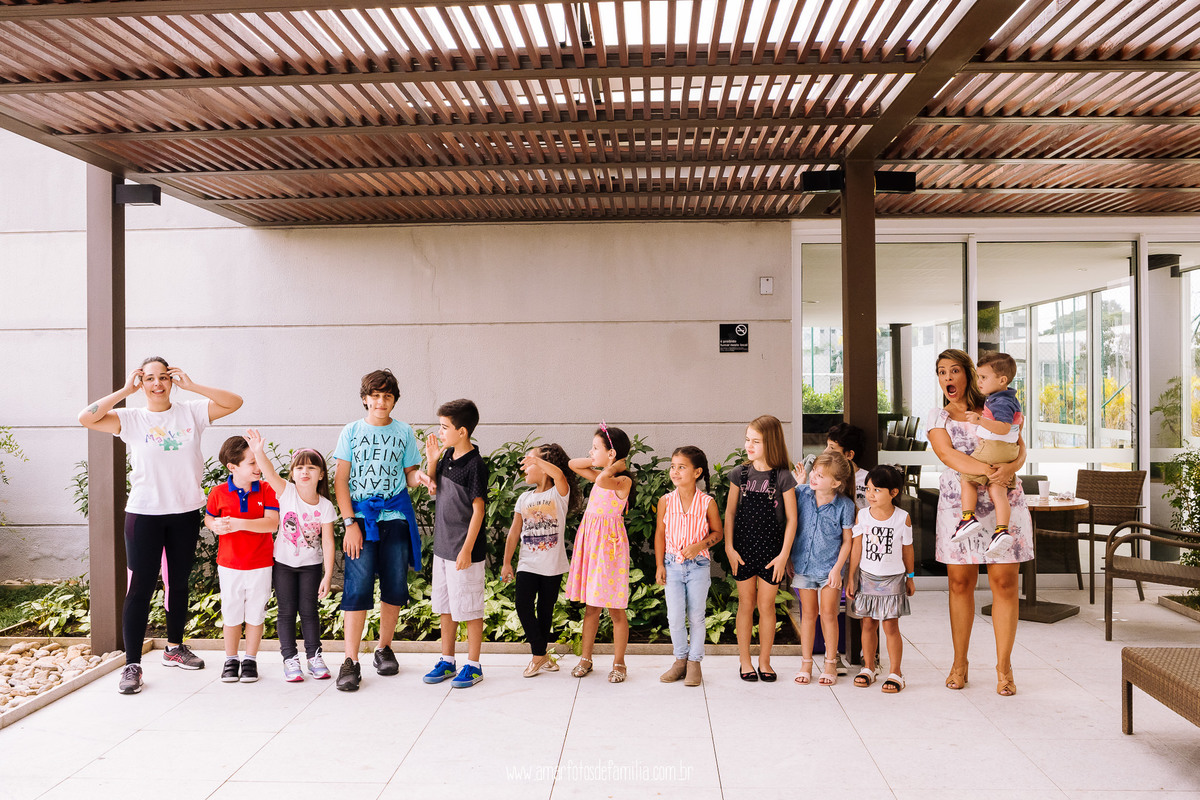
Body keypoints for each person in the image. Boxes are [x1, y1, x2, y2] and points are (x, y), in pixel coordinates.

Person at [77, 356, 242, 695]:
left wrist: (192, 385)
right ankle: (132, 665)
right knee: (139, 588)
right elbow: (86, 417)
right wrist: (124, 391)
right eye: (149, 378)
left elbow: (234, 402)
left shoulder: (192, 412)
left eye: (163, 377)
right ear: (142, 383)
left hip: (184, 512)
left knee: (178, 583)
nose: (157, 383)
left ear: (171, 380)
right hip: (144, 514)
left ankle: (174, 648)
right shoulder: (131, 418)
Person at [928, 349, 1032, 697]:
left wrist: (1011, 468)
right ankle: (960, 664)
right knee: (960, 583)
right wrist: (991, 471)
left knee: (1005, 583)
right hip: (961, 506)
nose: (947, 377)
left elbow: (1019, 446)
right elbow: (948, 455)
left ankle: (1004, 668)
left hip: (1004, 499)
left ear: (969, 374)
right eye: (941, 372)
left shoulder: (996, 405)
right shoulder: (938, 416)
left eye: (954, 370)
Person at [331, 368, 429, 692]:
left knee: (395, 585)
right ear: (365, 398)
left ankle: (384, 647)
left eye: (387, 396)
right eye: (375, 396)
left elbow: (410, 474)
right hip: (360, 519)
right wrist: (349, 523)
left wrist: (420, 477)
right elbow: (340, 480)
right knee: (357, 587)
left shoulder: (403, 432)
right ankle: (350, 660)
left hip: (395, 517)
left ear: (394, 400)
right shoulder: (351, 431)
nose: (381, 402)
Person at [245, 430, 336, 682]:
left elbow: (328, 541)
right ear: (292, 473)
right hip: (283, 564)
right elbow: (269, 472)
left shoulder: (326, 506)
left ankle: (314, 657)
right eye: (299, 468)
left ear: (321, 474)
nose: (305, 472)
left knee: (309, 611)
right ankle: (290, 659)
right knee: (286, 612)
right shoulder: (286, 492)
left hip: (311, 567)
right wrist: (258, 452)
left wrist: (328, 574)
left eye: (311, 468)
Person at [421, 399, 489, 689]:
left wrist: (466, 549)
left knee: (470, 609)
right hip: (443, 548)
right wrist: (432, 459)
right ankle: (447, 660)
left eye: (444, 427)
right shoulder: (447, 455)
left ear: (462, 431)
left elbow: (479, 510)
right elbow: (433, 488)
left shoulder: (475, 465)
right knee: (445, 606)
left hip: (464, 551)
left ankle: (473, 665)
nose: (440, 432)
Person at [724, 415, 798, 682]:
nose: (749, 445)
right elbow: (730, 513)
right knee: (746, 604)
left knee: (766, 606)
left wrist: (783, 556)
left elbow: (792, 519)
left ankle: (765, 661)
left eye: (756, 441)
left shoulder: (783, 477)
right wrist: (729, 548)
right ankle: (744, 660)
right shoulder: (739, 474)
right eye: (748, 439)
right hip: (743, 550)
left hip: (771, 553)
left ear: (772, 443)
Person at [500, 444, 581, 678]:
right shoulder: (524, 498)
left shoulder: (559, 493)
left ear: (544, 467)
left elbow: (560, 475)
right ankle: (539, 654)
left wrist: (538, 460)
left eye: (530, 462)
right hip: (528, 563)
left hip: (552, 566)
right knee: (522, 605)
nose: (524, 467)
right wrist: (507, 562)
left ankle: (540, 657)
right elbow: (514, 532)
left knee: (545, 611)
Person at [205, 436, 280, 684]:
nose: (258, 467)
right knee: (231, 612)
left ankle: (250, 659)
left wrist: (238, 523)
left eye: (258, 461)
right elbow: (209, 518)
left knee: (256, 613)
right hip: (229, 565)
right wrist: (214, 525)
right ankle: (231, 659)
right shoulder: (218, 493)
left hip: (260, 564)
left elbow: (271, 523)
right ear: (232, 467)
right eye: (252, 462)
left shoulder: (267, 489)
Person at [565, 424, 634, 683]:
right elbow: (573, 464)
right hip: (592, 546)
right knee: (591, 607)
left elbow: (604, 480)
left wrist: (614, 465)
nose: (590, 452)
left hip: (610, 548)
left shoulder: (622, 480)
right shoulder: (601, 474)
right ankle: (586, 658)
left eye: (595, 448)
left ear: (612, 453)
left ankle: (619, 663)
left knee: (615, 609)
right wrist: (598, 459)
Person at [654, 446, 724, 687]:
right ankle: (680, 660)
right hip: (672, 565)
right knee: (674, 616)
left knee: (696, 616)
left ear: (697, 472)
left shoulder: (707, 503)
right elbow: (660, 534)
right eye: (673, 466)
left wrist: (699, 545)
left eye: (681, 467)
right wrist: (659, 565)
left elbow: (718, 533)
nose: (675, 471)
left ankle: (694, 662)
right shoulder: (665, 501)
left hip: (698, 566)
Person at [847, 465, 915, 694]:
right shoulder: (863, 515)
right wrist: (851, 577)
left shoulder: (902, 518)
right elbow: (856, 547)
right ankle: (868, 667)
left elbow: (907, 549)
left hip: (893, 579)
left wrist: (910, 577)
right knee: (868, 623)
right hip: (867, 578)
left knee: (890, 625)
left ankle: (896, 672)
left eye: (877, 490)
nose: (870, 494)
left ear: (893, 493)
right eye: (868, 489)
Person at [789, 451, 854, 686]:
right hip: (803, 566)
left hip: (829, 570)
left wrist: (837, 569)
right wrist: (788, 558)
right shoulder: (801, 494)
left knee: (829, 615)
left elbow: (847, 541)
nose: (813, 477)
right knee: (808, 615)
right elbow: (790, 527)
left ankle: (830, 663)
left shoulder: (844, 506)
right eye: (814, 472)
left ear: (835, 483)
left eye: (820, 475)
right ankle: (806, 663)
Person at [952, 352, 1024, 557]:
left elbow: (1003, 427)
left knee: (967, 478)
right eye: (978, 377)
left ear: (1002, 380)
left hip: (994, 446)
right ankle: (1001, 530)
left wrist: (979, 420)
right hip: (1008, 451)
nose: (979, 382)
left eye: (984, 377)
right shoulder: (1009, 398)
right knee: (997, 489)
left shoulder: (999, 401)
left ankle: (968, 518)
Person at [802, 423, 869, 510]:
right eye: (827, 446)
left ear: (849, 454)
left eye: (832, 448)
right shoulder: (821, 477)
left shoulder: (867, 479)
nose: (825, 451)